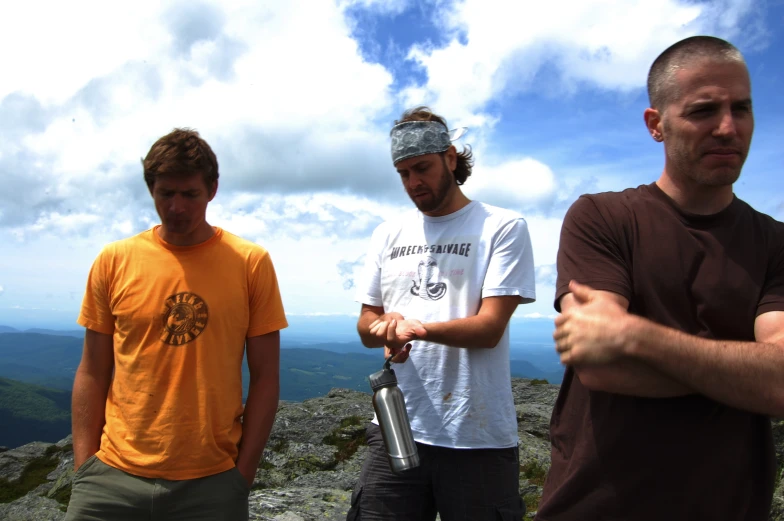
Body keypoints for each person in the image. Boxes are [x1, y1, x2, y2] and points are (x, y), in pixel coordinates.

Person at [536, 36, 784, 521]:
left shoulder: (775, 243)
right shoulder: (602, 217)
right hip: (593, 507)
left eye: (742, 108)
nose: (728, 128)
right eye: (703, 111)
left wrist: (637, 336)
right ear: (656, 125)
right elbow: (598, 362)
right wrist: (742, 372)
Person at [66, 128, 287, 521]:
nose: (178, 207)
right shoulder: (114, 260)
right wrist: (84, 466)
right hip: (111, 475)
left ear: (212, 190)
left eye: (190, 194)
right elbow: (92, 369)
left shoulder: (249, 262)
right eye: (166, 193)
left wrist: (242, 475)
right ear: (151, 189)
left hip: (212, 481)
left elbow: (266, 376)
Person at [346, 107, 537, 521]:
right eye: (403, 173)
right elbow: (365, 325)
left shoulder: (502, 227)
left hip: (477, 436)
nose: (414, 182)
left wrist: (416, 329)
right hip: (395, 424)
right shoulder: (388, 234)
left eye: (422, 168)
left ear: (450, 157)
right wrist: (385, 329)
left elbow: (489, 329)